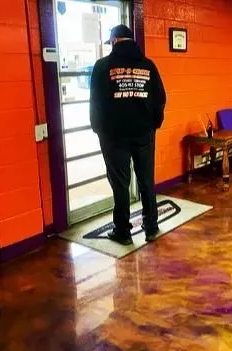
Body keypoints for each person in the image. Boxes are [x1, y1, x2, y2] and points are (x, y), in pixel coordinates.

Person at [90, 25, 166, 245]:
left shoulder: (103, 66)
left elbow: (95, 102)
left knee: (120, 185)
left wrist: (98, 128)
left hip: (114, 137)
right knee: (146, 181)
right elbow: (160, 98)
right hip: (143, 133)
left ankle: (123, 232)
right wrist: (154, 124)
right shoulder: (148, 66)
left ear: (114, 42)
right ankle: (151, 227)